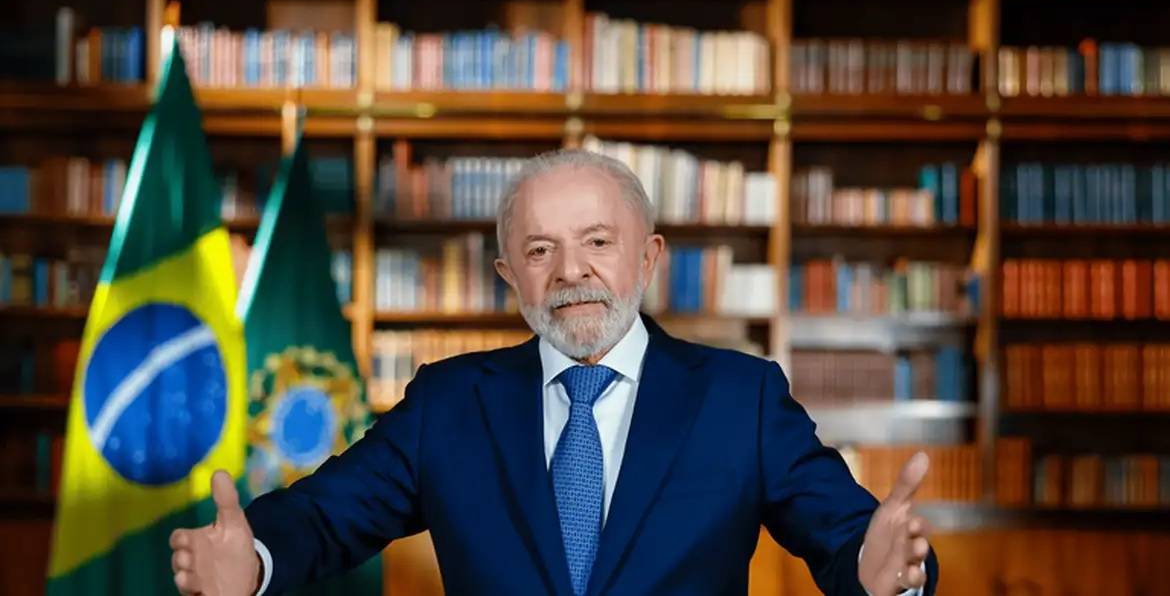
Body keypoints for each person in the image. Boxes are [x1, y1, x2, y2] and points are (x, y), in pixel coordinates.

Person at [170, 149, 938, 596]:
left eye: (598, 242)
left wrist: (887, 578)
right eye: (540, 250)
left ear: (648, 257)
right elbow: (325, 516)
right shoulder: (448, 404)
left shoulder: (742, 399)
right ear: (511, 276)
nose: (571, 271)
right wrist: (255, 560)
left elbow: (854, 539)